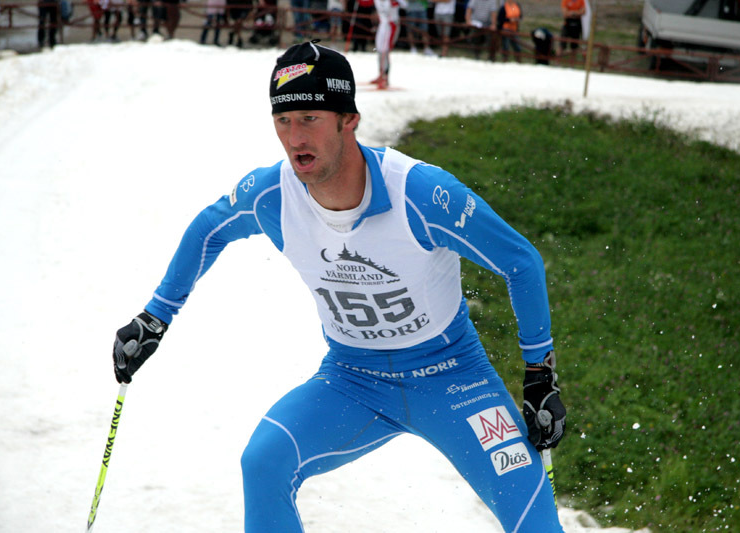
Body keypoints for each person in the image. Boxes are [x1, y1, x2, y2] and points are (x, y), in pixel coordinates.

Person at [111, 41, 566, 533]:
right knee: (263, 462)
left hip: (452, 377)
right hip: (352, 380)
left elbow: (520, 261)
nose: (294, 137)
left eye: (309, 118)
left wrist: (539, 374)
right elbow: (208, 229)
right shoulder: (273, 195)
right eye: (282, 121)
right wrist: (154, 317)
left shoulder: (419, 193)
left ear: (349, 119)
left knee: (536, 523)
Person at [372, 0, 402, 89]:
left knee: (385, 51)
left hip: (391, 25)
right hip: (383, 25)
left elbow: (402, 4)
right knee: (379, 50)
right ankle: (381, 74)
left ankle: (386, 78)